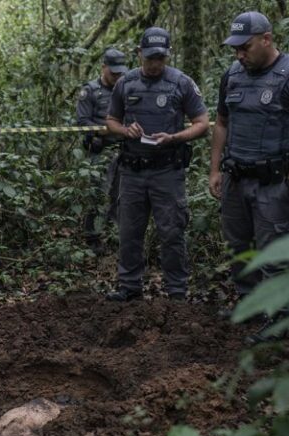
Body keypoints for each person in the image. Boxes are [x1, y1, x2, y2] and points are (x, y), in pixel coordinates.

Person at [208, 11, 289, 343]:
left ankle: (280, 319)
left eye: (244, 47)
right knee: (239, 248)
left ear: (267, 39)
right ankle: (249, 304)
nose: (239, 54)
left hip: (273, 182)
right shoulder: (232, 75)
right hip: (236, 178)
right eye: (234, 48)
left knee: (274, 253)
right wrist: (216, 169)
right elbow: (221, 122)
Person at [105, 27, 210, 302]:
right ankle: (129, 288)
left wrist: (175, 137)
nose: (154, 64)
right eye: (150, 58)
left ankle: (176, 292)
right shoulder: (125, 83)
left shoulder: (181, 83)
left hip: (167, 171)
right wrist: (124, 130)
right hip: (132, 172)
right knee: (129, 232)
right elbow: (110, 121)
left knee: (172, 232)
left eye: (160, 58)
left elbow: (202, 124)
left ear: (167, 55)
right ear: (139, 53)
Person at [76, 48, 128, 256]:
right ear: (103, 67)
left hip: (123, 150)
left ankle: (115, 234)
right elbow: (82, 122)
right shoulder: (90, 91)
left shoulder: (125, 88)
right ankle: (92, 236)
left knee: (120, 194)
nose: (116, 76)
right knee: (98, 194)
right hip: (100, 151)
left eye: (119, 73)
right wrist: (100, 132)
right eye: (113, 72)